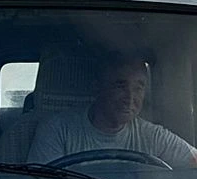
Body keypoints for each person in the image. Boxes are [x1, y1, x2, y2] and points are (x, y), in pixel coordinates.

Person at [27, 56, 197, 167]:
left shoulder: (152, 135)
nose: (130, 97)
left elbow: (193, 161)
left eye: (139, 88)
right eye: (120, 86)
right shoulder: (57, 129)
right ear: (98, 87)